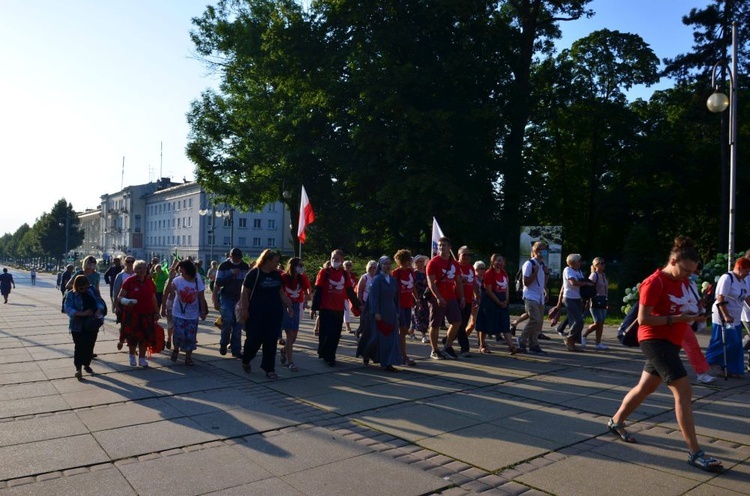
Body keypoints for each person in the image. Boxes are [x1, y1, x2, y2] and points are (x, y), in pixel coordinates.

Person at [608, 236, 723, 473]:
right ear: (673, 260)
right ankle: (695, 452)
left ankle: (615, 421)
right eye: (685, 270)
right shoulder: (654, 282)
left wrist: (696, 316)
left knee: (646, 387)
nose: (687, 275)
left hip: (672, 342)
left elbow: (684, 307)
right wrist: (677, 319)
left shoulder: (684, 282)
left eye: (691, 272)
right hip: (653, 340)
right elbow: (643, 319)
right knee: (683, 391)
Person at [237, 249, 293, 379]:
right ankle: (246, 359)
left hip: (274, 314)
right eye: (275, 261)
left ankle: (269, 369)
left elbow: (280, 292)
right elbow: (244, 292)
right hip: (256, 314)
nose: (277, 264)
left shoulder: (277, 275)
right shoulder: (254, 274)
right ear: (267, 261)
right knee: (253, 341)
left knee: (271, 342)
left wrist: (288, 304)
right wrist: (244, 309)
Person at [314, 249, 360, 366]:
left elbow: (350, 291)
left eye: (337, 259)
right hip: (326, 307)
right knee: (326, 333)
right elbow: (318, 290)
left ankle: (331, 355)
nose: (335, 261)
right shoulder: (325, 272)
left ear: (342, 260)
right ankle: (326, 354)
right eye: (333, 258)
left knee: (335, 334)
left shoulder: (344, 274)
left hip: (338, 308)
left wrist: (358, 305)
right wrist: (314, 307)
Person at [705, 256, 750, 378]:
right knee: (725, 341)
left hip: (735, 316)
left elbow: (747, 298)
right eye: (747, 271)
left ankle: (733, 368)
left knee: (736, 344)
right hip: (723, 315)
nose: (748, 274)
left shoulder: (743, 281)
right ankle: (713, 362)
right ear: (740, 268)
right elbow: (720, 298)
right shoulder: (727, 278)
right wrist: (726, 315)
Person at [358, 256, 402, 371]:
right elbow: (373, 298)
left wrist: (397, 311)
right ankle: (366, 354)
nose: (387, 266)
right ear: (380, 266)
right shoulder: (377, 280)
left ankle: (388, 363)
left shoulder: (393, 280)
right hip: (379, 313)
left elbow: (396, 297)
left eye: (389, 263)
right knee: (375, 338)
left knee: (391, 338)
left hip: (391, 312)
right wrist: (376, 312)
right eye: (385, 264)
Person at [162, 260, 207, 366]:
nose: (180, 272)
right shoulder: (177, 280)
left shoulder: (197, 280)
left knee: (190, 337)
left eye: (182, 270)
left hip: (192, 314)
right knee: (178, 334)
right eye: (179, 271)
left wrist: (203, 311)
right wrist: (170, 279)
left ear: (188, 270)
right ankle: (176, 349)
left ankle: (188, 357)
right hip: (178, 313)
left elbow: (201, 296)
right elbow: (167, 292)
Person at [425, 237, 464, 359]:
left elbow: (458, 282)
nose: (441, 248)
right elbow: (431, 283)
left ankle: (447, 346)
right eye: (440, 245)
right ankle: (435, 350)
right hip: (437, 298)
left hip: (451, 297)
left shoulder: (454, 264)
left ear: (449, 248)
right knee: (435, 325)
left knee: (457, 321)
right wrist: (438, 297)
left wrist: (462, 297)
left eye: (444, 245)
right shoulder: (433, 262)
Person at [117, 260, 160, 368]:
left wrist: (156, 312)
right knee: (132, 337)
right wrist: (127, 302)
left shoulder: (150, 282)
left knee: (144, 337)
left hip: (147, 314)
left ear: (147, 269)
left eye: (144, 268)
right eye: (139, 268)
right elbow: (120, 297)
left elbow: (153, 298)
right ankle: (132, 356)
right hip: (132, 314)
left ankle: (142, 358)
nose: (141, 271)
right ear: (135, 270)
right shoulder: (129, 281)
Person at [65, 275, 106, 379]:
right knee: (79, 347)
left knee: (89, 346)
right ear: (76, 286)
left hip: (92, 324)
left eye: (86, 287)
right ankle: (78, 369)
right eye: (81, 288)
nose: (84, 290)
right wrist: (82, 313)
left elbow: (100, 302)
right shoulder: (71, 295)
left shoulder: (91, 291)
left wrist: (98, 310)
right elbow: (68, 308)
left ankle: (86, 364)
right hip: (77, 325)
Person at [475, 254, 517, 354]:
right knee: (485, 323)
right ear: (492, 262)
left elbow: (506, 288)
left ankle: (511, 347)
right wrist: (498, 302)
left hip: (502, 300)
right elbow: (489, 291)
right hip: (490, 301)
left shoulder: (504, 273)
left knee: (505, 324)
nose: (500, 263)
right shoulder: (489, 273)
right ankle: (482, 345)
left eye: (501, 261)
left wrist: (506, 300)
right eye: (497, 261)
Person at [215, 248, 250, 359]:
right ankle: (223, 343)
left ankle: (236, 349)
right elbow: (218, 282)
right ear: (230, 257)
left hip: (239, 298)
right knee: (228, 320)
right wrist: (231, 274)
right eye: (235, 258)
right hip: (227, 297)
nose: (237, 260)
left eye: (239, 258)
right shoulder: (224, 266)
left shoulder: (245, 266)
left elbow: (248, 283)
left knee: (238, 324)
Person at [280, 257, 311, 372]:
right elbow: (280, 291)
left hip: (297, 305)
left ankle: (284, 351)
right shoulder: (284, 277)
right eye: (299, 265)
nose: (301, 267)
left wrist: (308, 298)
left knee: (293, 337)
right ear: (292, 266)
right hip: (286, 306)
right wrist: (286, 303)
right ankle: (290, 362)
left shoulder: (302, 278)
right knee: (289, 334)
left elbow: (308, 289)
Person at [559, 253, 595, 352]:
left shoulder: (578, 271)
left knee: (573, 321)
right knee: (579, 321)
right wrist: (586, 283)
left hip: (578, 298)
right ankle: (569, 338)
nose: (580, 263)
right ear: (572, 262)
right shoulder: (568, 270)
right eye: (579, 261)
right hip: (569, 298)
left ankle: (572, 343)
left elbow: (581, 282)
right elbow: (573, 283)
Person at [518, 242, 549, 355]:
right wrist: (535, 272)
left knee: (539, 322)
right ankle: (522, 340)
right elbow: (526, 282)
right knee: (534, 319)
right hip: (530, 296)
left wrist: (546, 274)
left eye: (545, 249)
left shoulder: (541, 264)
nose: (544, 251)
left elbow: (542, 283)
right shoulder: (529, 264)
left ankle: (534, 344)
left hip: (540, 296)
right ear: (536, 251)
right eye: (542, 249)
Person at [392, 249, 418, 366]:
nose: (407, 262)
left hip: (408, 304)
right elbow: (392, 291)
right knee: (402, 330)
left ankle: (399, 353)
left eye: (408, 260)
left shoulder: (411, 272)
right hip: (399, 305)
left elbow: (412, 287)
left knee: (405, 330)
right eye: (405, 261)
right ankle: (403, 356)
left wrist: (417, 299)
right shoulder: (395, 273)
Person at [581, 257, 609, 350]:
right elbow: (589, 289)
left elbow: (606, 289)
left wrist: (607, 300)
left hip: (603, 300)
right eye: (601, 263)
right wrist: (588, 301)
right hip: (595, 300)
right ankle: (584, 335)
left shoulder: (604, 275)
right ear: (596, 265)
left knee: (601, 323)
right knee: (597, 322)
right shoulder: (594, 275)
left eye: (604, 263)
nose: (603, 265)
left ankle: (598, 343)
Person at [113, 257, 136, 349]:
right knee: (124, 324)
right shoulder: (120, 275)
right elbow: (116, 292)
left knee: (134, 324)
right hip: (123, 303)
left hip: (135, 303)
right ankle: (122, 339)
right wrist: (116, 306)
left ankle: (131, 342)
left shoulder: (137, 274)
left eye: (132, 261)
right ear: (124, 263)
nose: (130, 263)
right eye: (128, 261)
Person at [410, 255, 430, 343]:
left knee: (426, 315)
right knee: (419, 315)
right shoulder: (414, 274)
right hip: (417, 297)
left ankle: (411, 331)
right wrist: (416, 298)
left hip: (426, 297)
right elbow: (412, 286)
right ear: (415, 263)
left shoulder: (426, 272)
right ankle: (423, 335)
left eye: (422, 261)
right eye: (419, 262)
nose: (421, 263)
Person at [342, 261, 358, 334]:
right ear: (343, 266)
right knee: (346, 311)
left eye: (349, 265)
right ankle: (347, 327)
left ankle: (347, 327)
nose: (348, 266)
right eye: (346, 265)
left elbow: (356, 284)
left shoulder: (352, 275)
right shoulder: (341, 274)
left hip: (350, 296)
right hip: (342, 295)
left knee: (347, 311)